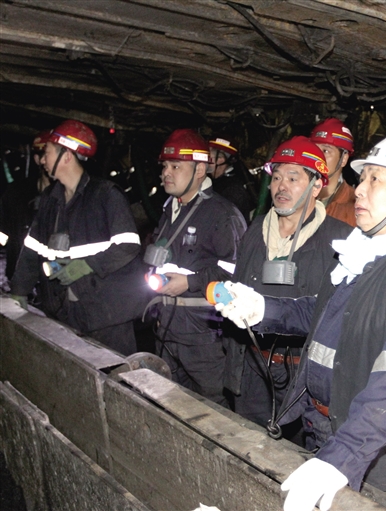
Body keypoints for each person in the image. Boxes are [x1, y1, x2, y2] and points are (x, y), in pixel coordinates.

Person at [218, 130, 386, 511]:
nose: (359, 190)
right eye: (362, 177)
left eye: (375, 179)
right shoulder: (362, 252)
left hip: (381, 471)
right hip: (324, 437)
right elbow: (321, 312)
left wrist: (342, 457)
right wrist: (261, 309)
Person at [223, 136, 352, 428]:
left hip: (305, 378)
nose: (282, 186)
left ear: (316, 186)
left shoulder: (341, 240)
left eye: (293, 178)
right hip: (253, 369)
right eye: (277, 177)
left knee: (298, 452)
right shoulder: (255, 230)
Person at [9, 120, 145, 355]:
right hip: (64, 311)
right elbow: (33, 249)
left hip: (106, 314)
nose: (42, 160)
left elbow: (128, 245)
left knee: (115, 372)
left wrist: (87, 264)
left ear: (67, 156)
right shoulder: (50, 199)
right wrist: (19, 291)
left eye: (47, 153)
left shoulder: (106, 195)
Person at [147, 129, 246, 407]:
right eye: (165, 166)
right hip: (166, 326)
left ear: (200, 170)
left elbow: (236, 271)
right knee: (169, 402)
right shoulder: (170, 208)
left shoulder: (222, 214)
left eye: (176, 166)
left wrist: (189, 283)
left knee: (212, 407)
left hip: (204, 336)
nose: (166, 173)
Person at [1, 130, 51, 283]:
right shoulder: (17, 193)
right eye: (47, 155)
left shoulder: (71, 198)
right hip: (18, 277)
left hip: (53, 282)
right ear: (38, 159)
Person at [309, 118, 356, 227]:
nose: (317, 157)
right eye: (314, 149)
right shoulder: (295, 194)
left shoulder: (356, 206)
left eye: (325, 151)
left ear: (343, 159)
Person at [208, 137, 258, 222]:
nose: (205, 159)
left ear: (221, 159)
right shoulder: (218, 181)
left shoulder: (233, 190)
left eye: (209, 155)